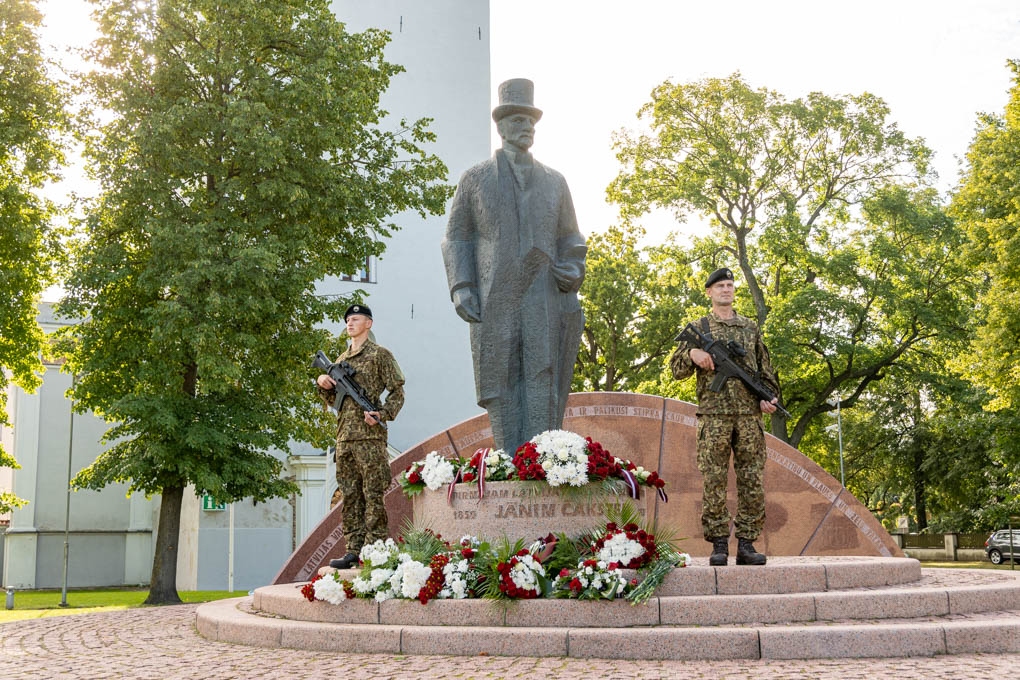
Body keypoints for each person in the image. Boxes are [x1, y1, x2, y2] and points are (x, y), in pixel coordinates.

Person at [441, 78, 586, 454]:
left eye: (531, 123)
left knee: (542, 374)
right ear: (501, 126)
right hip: (495, 294)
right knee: (501, 380)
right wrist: (461, 287)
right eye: (519, 121)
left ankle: (542, 461)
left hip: (542, 292)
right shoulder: (475, 179)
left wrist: (573, 268)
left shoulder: (555, 182)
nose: (528, 129)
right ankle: (508, 459)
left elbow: (571, 237)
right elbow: (457, 236)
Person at [670, 268, 780, 566]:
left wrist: (770, 398)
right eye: (720, 286)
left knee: (751, 480)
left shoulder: (750, 327)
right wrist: (692, 354)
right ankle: (719, 545)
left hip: (748, 417)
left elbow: (766, 372)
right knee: (714, 481)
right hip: (714, 416)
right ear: (709, 292)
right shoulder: (699, 327)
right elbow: (676, 370)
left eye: (730, 285)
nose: (726, 290)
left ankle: (746, 544)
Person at [316, 303, 404, 569]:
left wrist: (382, 414)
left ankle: (376, 550)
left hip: (370, 439)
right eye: (348, 320)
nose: (350, 323)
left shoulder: (380, 355)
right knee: (350, 495)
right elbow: (335, 401)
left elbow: (398, 391)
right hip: (344, 438)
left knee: (373, 494)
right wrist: (323, 384)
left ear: (369, 323)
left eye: (356, 319)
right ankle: (353, 550)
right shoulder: (340, 362)